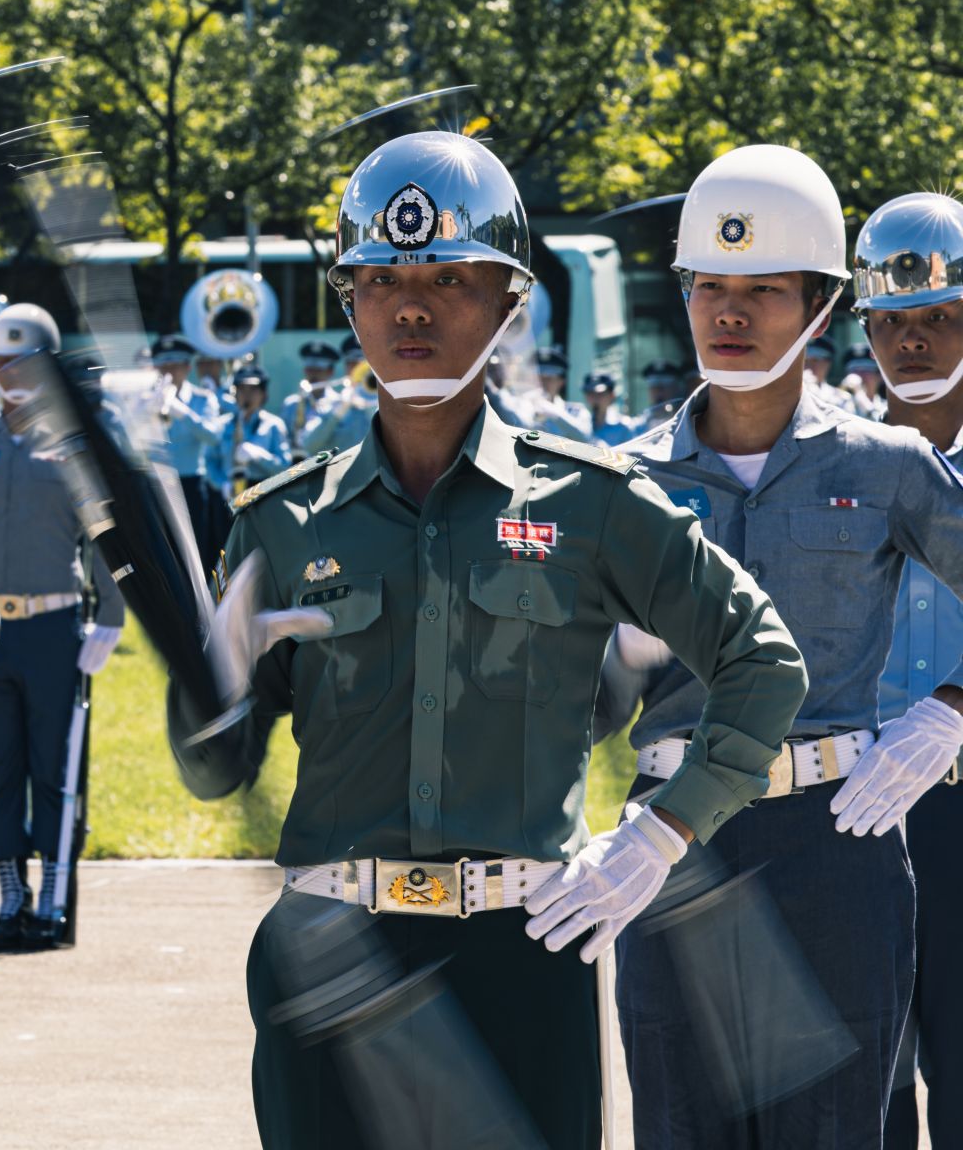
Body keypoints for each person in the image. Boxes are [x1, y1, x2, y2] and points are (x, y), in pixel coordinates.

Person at [175, 130, 806, 1150]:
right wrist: (211, 678)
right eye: (380, 278)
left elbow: (763, 659)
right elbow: (214, 767)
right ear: (348, 297)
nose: (411, 304)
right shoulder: (281, 521)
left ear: (511, 300)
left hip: (524, 953)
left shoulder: (593, 500)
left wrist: (661, 833)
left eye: (449, 277)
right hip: (332, 953)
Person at [604, 148, 963, 1148]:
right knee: (684, 1129)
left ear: (818, 303)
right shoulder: (616, 483)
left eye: (763, 288)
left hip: (836, 842)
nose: (731, 311)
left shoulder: (890, 466)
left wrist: (949, 709)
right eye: (709, 285)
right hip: (675, 846)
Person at [0, 304, 125, 949]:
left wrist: (112, 616)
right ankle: (11, 894)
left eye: (20, 360)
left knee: (57, 768)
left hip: (55, 627)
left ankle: (54, 896)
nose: (7, 372)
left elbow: (104, 537)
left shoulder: (74, 445)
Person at [851, 193, 963, 1150]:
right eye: (891, 322)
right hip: (857, 810)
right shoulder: (828, 459)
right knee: (864, 1099)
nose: (912, 341)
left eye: (939, 317)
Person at [146, 333, 226, 569]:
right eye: (163, 365)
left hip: (191, 484)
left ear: (188, 367)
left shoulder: (203, 398)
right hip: (157, 484)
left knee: (194, 554)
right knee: (160, 554)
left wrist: (183, 413)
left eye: (175, 365)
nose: (169, 371)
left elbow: (213, 437)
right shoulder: (144, 399)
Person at [214, 364, 290, 497]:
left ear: (264, 393)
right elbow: (210, 461)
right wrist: (223, 485)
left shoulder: (274, 425)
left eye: (253, 390)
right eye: (242, 389)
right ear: (235, 393)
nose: (247, 395)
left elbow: (285, 467)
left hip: (263, 494)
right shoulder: (222, 424)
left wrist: (259, 455)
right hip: (230, 493)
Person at [278, 340, 339, 437]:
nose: (313, 374)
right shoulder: (291, 404)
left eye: (319, 370)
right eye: (310, 369)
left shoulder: (338, 403)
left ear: (330, 372)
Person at [583, 370, 635, 446]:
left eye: (600, 394)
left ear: (612, 396)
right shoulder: (581, 421)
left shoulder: (624, 426)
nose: (594, 398)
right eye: (590, 394)